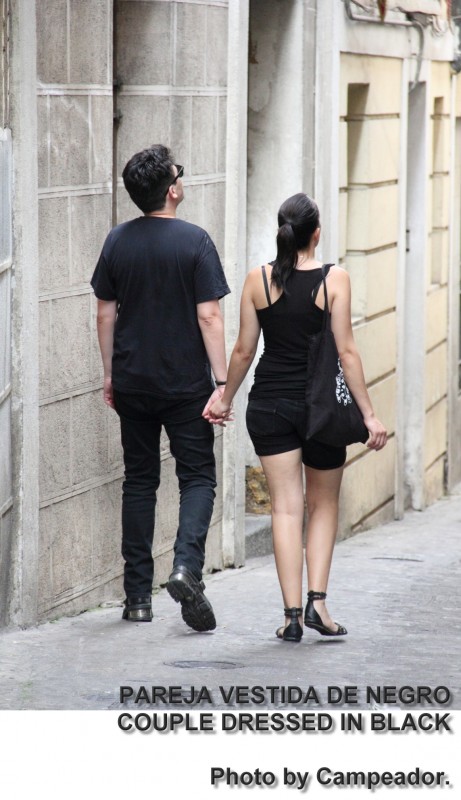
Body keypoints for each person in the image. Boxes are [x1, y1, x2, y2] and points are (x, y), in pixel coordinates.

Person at [204, 193, 387, 642]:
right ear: (316, 233)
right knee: (321, 504)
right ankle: (317, 604)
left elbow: (244, 350)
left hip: (269, 405)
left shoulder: (257, 281)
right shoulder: (334, 279)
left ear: (282, 232)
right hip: (321, 409)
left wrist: (224, 396)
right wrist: (369, 416)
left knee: (284, 508)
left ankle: (290, 615)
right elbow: (346, 352)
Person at [91, 144, 230, 629]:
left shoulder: (116, 241)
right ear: (172, 190)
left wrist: (109, 374)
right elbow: (209, 315)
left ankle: (137, 598)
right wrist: (223, 382)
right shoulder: (195, 241)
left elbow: (105, 313)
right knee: (197, 477)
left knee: (140, 480)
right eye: (180, 174)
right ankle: (187, 567)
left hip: (133, 379)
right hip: (187, 383)